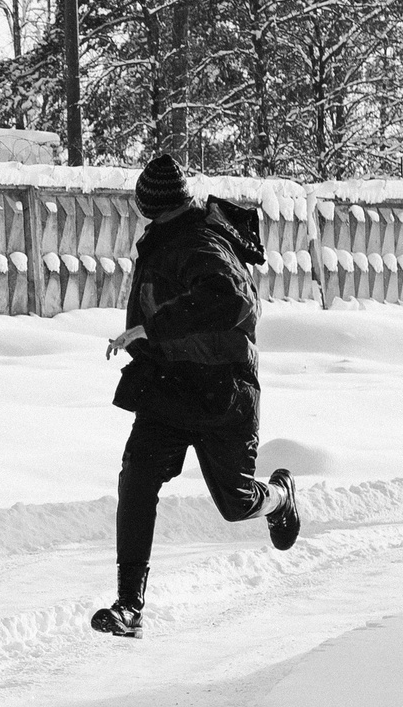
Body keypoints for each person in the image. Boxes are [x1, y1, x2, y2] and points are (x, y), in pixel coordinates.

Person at [97, 153, 300, 638]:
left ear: (149, 205)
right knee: (138, 479)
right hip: (169, 386)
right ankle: (129, 607)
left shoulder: (201, 243)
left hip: (221, 392)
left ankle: (278, 498)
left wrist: (152, 325)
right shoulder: (168, 237)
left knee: (234, 503)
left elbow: (231, 301)